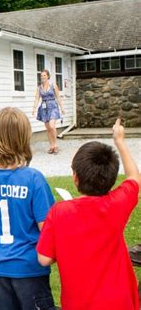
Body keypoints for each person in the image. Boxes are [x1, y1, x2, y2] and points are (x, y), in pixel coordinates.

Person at [37, 119, 140, 310]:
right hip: (119, 302)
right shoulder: (117, 204)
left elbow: (44, 259)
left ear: (75, 178)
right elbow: (134, 178)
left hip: (79, 303)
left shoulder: (59, 212)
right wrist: (120, 141)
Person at [0, 107, 56, 310]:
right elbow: (48, 227)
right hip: (31, 269)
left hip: (0, 269)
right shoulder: (33, 178)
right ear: (24, 138)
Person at [32, 69, 65, 154]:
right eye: (41, 76)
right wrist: (34, 108)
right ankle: (51, 146)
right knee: (48, 128)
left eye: (44, 75)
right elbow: (37, 99)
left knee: (52, 126)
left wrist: (62, 108)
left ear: (48, 76)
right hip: (44, 108)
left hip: (53, 106)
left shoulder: (53, 85)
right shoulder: (39, 88)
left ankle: (55, 145)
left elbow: (58, 97)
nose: (43, 77)